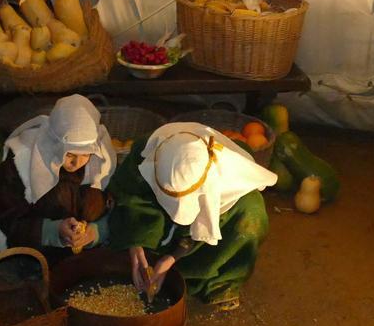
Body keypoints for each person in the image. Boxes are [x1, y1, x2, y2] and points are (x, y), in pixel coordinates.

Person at [108, 123, 277, 311]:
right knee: (124, 230)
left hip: (218, 229)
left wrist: (173, 257)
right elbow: (128, 195)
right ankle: (153, 257)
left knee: (250, 219)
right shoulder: (147, 152)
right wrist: (136, 244)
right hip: (159, 223)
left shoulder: (230, 179)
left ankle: (218, 282)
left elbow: (206, 223)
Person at [0, 95, 116, 256]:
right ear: (55, 143)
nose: (77, 163)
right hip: (36, 255)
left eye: (85, 155)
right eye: (69, 155)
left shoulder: (102, 161)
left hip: (88, 256)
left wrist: (96, 232)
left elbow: (118, 206)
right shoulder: (21, 162)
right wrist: (53, 231)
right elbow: (7, 217)